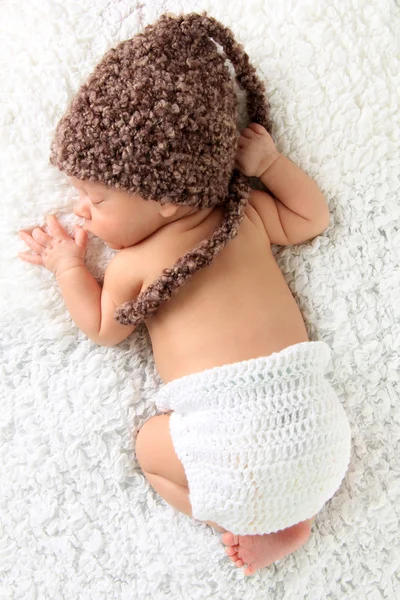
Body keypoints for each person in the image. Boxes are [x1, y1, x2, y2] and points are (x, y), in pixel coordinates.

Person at [18, 12, 351, 576]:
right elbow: (311, 217)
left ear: (167, 198)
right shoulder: (244, 220)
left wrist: (67, 266)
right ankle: (294, 518)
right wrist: (270, 164)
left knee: (151, 450)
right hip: (320, 436)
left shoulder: (134, 264)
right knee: (267, 477)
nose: (80, 210)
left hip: (230, 449)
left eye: (96, 201)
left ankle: (242, 521)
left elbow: (103, 329)